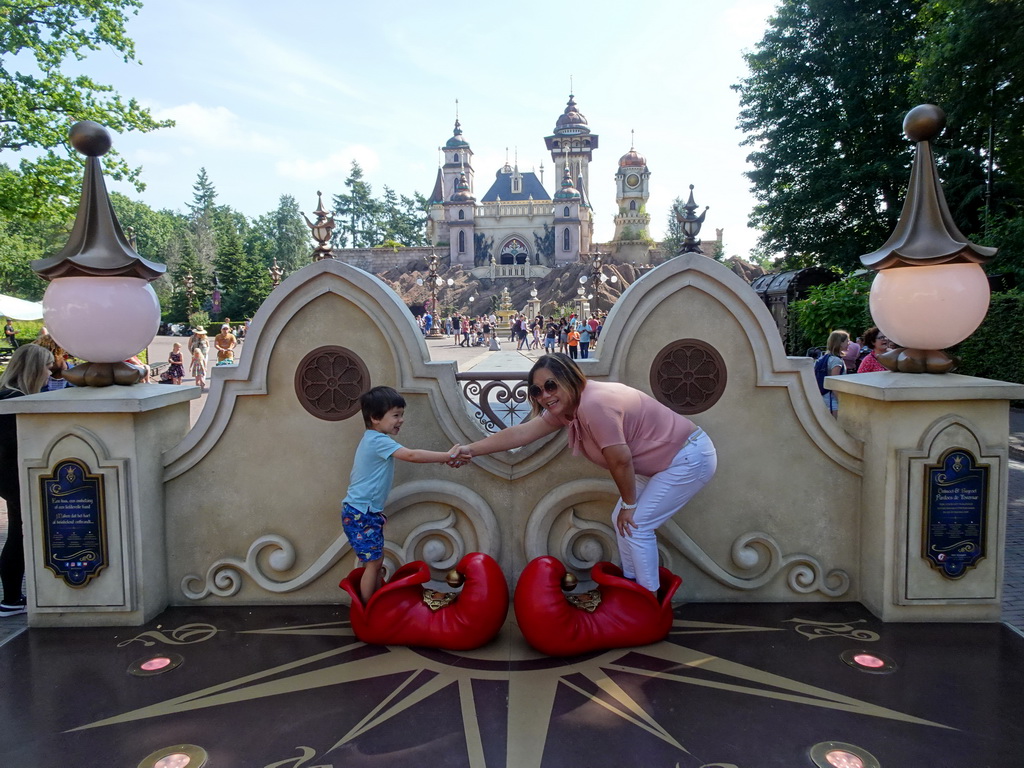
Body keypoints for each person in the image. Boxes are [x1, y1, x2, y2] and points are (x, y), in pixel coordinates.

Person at [450, 353, 716, 593]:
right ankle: (633, 588)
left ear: (569, 379)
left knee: (636, 525)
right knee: (623, 522)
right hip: (662, 462)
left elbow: (620, 460)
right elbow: (521, 433)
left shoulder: (594, 404)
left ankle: (649, 601)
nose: (545, 395)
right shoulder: (569, 408)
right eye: (537, 390)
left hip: (687, 457)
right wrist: (471, 450)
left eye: (551, 385)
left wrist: (629, 504)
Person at [342, 386, 458, 603]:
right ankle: (368, 609)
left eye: (401, 415)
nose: (401, 420)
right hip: (361, 513)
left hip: (363, 512)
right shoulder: (378, 441)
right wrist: (446, 455)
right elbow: (412, 455)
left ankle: (376, 602)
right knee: (374, 563)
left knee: (376, 561)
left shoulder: (372, 439)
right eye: (396, 415)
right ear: (375, 418)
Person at [0, 345, 54, 617]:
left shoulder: (6, 394)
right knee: (20, 536)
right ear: (33, 368)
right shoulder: (14, 400)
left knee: (17, 535)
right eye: (47, 367)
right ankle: (10, 599)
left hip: (8, 477)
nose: (49, 373)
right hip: (14, 477)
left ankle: (11, 597)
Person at [821, 330, 849, 416]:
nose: (849, 343)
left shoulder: (825, 357)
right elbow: (834, 384)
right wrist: (842, 401)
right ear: (840, 343)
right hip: (832, 401)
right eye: (847, 341)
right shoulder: (836, 361)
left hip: (825, 397)